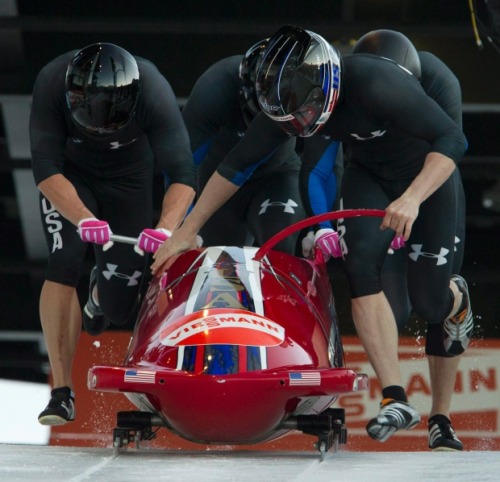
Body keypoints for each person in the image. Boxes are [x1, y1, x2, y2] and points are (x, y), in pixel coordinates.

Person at [151, 26, 474, 451]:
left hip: (427, 181)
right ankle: (395, 397)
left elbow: (453, 139)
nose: (297, 125)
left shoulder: (375, 83)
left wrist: (412, 199)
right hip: (370, 176)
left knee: (431, 302)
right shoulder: (290, 108)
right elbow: (234, 168)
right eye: (287, 118)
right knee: (360, 266)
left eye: (302, 113)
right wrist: (184, 233)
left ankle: (454, 314)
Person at [30, 43, 197, 425]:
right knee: (64, 260)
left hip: (129, 181)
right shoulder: (52, 83)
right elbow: (44, 169)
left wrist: (166, 228)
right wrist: (82, 217)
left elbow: (184, 174)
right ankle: (61, 392)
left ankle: (98, 293)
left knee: (118, 308)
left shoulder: (153, 90)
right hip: (71, 177)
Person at [181, 40, 310, 254]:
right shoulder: (215, 88)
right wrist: (185, 222)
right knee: (220, 267)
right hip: (219, 182)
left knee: (279, 245)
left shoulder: (305, 97)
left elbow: (323, 156)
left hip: (276, 177)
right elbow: (183, 165)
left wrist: (322, 227)